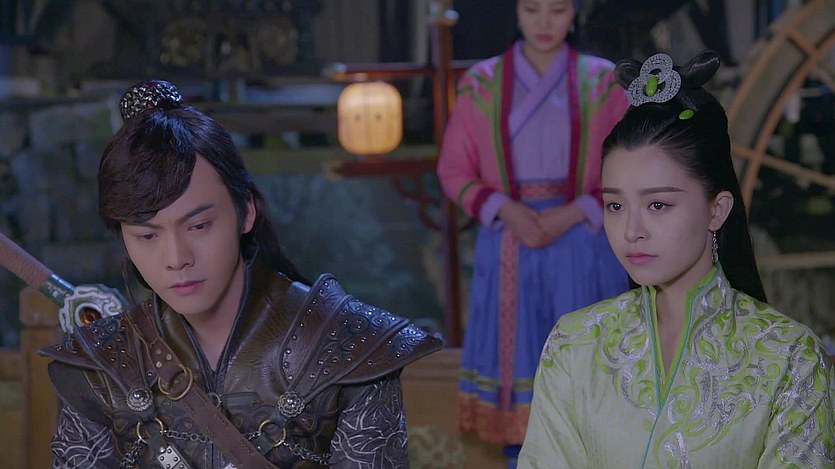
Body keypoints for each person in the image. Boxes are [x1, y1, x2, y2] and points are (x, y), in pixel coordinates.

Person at [41, 80, 443, 468]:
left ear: (245, 211)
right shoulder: (102, 365)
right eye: (147, 235)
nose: (176, 258)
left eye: (199, 226)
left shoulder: (347, 346)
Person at [518, 50, 835, 468]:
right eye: (615, 206)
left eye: (658, 205)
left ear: (717, 210)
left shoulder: (789, 356)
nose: (632, 230)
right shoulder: (574, 343)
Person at [435, 0, 630, 460]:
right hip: (511, 241)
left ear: (574, 13)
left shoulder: (604, 81)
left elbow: (628, 163)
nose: (544, 22)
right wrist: (506, 209)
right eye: (532, 9)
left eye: (558, 10)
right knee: (519, 381)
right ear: (516, 12)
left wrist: (576, 210)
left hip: (583, 239)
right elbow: (454, 170)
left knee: (589, 377)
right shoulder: (482, 82)